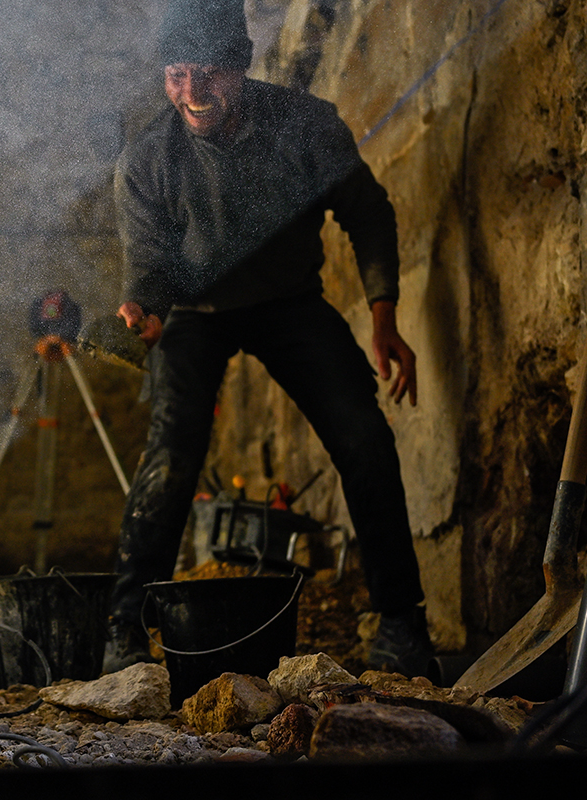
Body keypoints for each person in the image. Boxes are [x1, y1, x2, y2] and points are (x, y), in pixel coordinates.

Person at [103, 0, 431, 677]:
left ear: (241, 67)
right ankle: (126, 630)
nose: (191, 92)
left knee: (364, 438)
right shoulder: (147, 160)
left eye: (208, 74)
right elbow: (150, 266)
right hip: (195, 312)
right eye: (176, 73)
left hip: (288, 303)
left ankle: (400, 623)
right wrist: (147, 309)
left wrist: (383, 315)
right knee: (170, 455)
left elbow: (367, 213)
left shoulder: (306, 126)